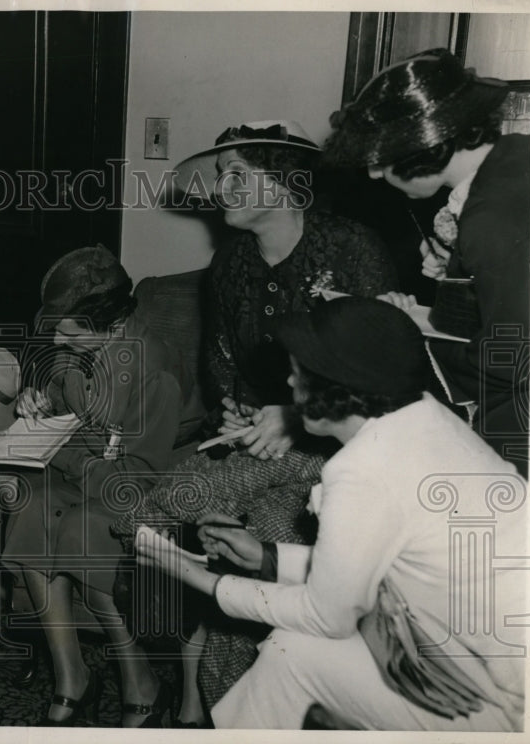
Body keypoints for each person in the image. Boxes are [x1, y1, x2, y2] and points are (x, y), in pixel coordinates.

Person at [111, 120, 397, 723]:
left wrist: (293, 416)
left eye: (237, 175)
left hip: (341, 450)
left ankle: (229, 711)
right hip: (255, 440)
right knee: (153, 511)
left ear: (286, 182)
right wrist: (238, 407)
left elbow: (378, 379)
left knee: (269, 528)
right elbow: (222, 363)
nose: (221, 189)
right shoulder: (233, 259)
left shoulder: (352, 250)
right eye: (220, 176)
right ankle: (187, 686)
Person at [136, 296, 526, 731]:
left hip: (510, 706)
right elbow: (374, 570)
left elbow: (330, 616)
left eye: (298, 375)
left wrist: (206, 582)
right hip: (492, 664)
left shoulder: (361, 470)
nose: (287, 380)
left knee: (292, 654)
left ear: (335, 389)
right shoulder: (425, 418)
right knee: (291, 654)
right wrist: (266, 557)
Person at [2, 245, 190, 727]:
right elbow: (72, 407)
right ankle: (72, 676)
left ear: (108, 322)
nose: (59, 341)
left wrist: (62, 454)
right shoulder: (79, 349)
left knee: (84, 529)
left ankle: (140, 677)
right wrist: (38, 404)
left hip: (146, 488)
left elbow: (139, 477)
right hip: (88, 472)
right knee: (31, 509)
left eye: (70, 330)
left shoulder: (155, 370)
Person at [323, 48, 530, 478]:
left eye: (383, 158)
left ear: (429, 143)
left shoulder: (491, 218)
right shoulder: (519, 157)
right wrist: (460, 279)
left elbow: (515, 358)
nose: (376, 175)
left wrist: (403, 350)